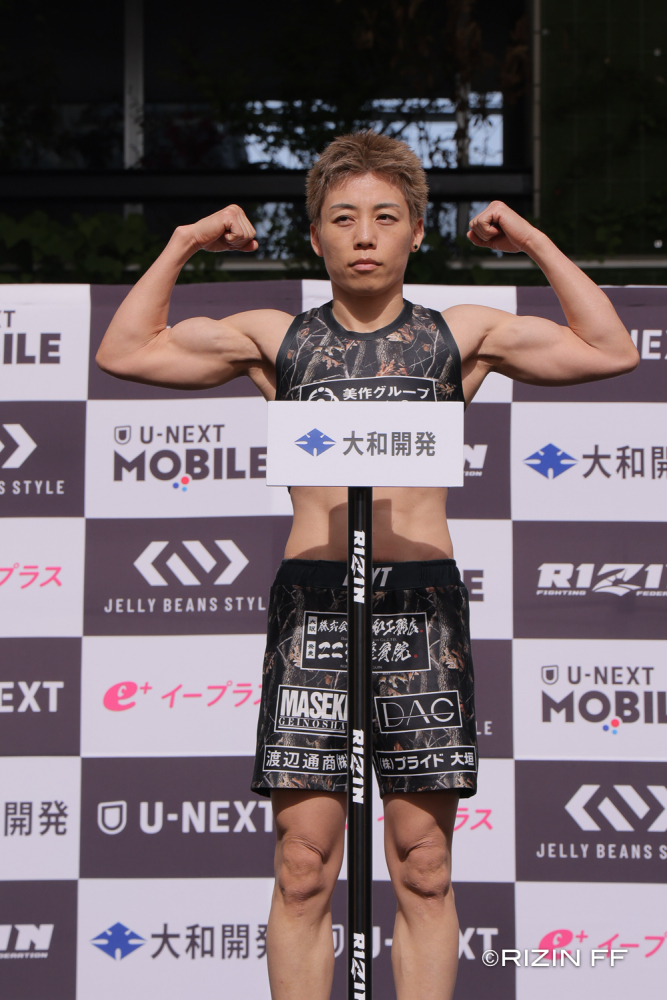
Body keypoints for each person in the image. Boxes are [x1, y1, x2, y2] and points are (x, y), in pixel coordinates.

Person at [96, 131, 638, 1000]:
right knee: (303, 863)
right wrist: (186, 239)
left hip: (420, 611)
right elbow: (126, 350)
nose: (363, 236)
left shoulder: (458, 335)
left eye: (385, 218)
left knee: (422, 863)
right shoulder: (276, 338)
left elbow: (609, 348)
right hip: (313, 609)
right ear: (315, 235)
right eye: (343, 218)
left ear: (415, 232)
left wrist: (529, 238)